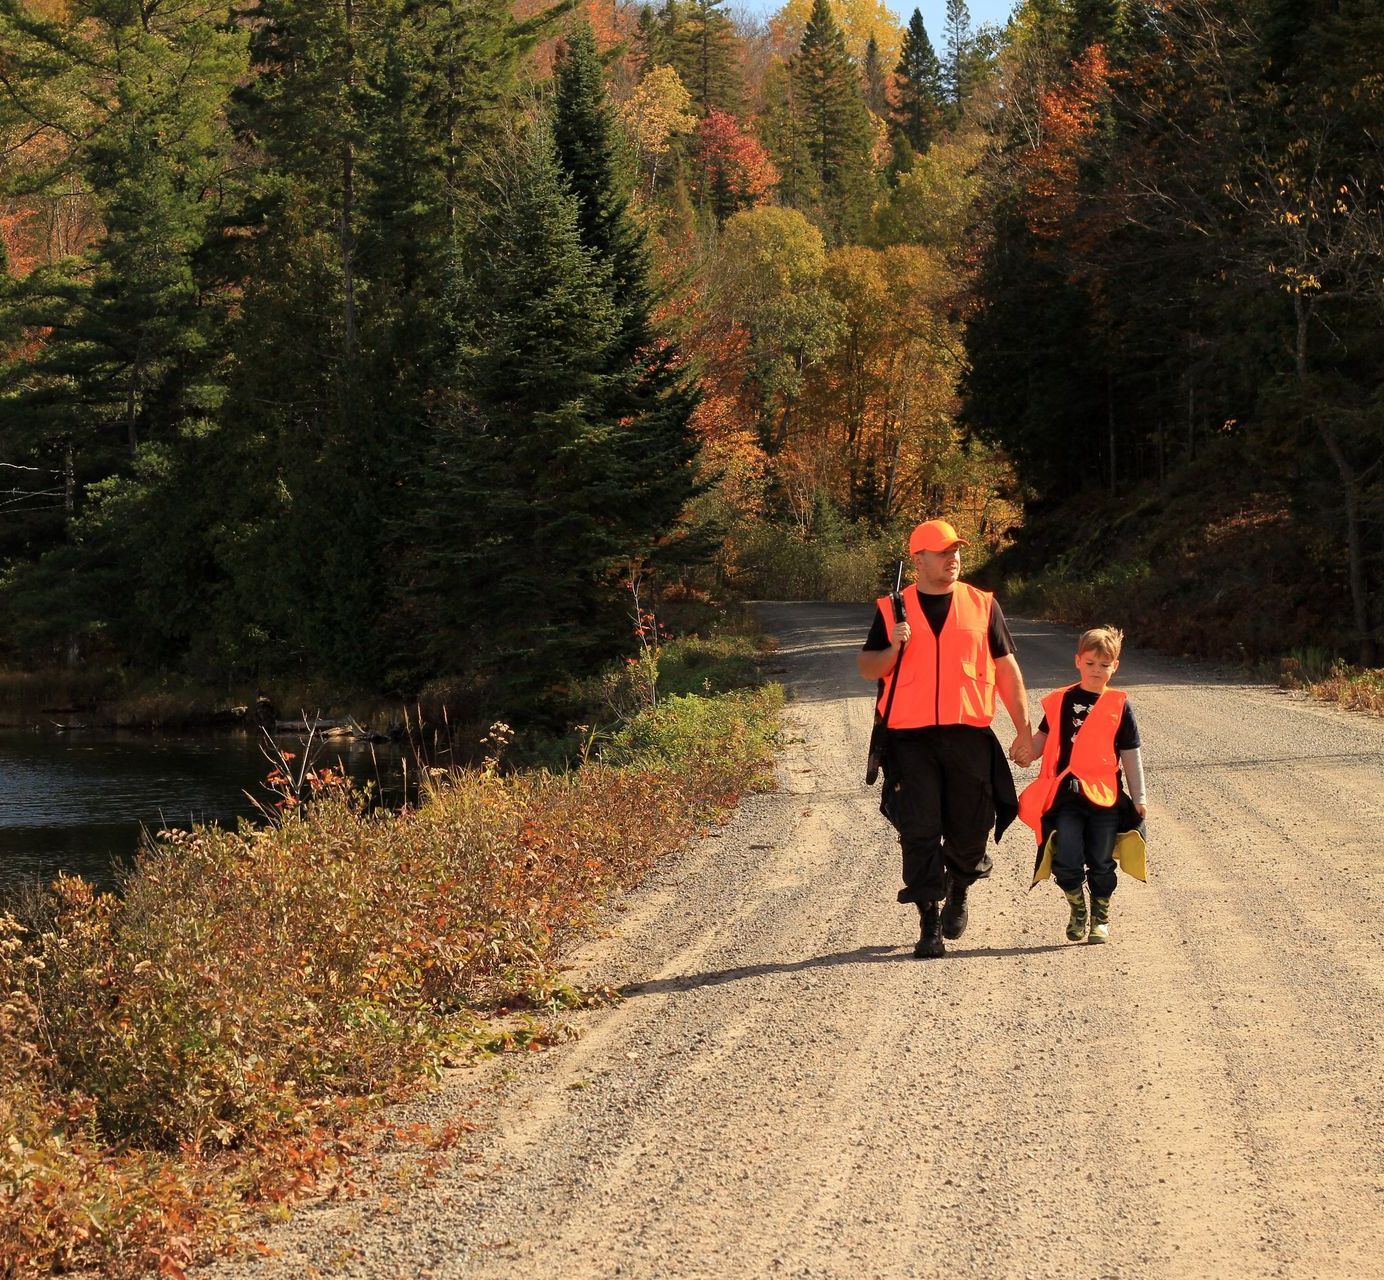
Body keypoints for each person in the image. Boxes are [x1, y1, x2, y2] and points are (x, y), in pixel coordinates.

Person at [858, 519, 1035, 959]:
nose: (952, 558)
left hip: (968, 735)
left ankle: (960, 885)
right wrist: (894, 648)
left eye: (956, 550)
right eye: (942, 552)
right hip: (909, 740)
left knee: (972, 828)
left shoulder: (982, 604)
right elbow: (868, 668)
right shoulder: (891, 609)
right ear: (918, 559)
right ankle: (928, 921)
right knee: (919, 830)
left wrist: (1024, 730)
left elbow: (1007, 672)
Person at [1015, 626, 1148, 944]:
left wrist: (1140, 797)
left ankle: (1100, 917)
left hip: (1105, 799)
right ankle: (1077, 909)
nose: (1096, 671)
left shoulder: (1119, 705)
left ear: (1114, 666)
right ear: (1078, 661)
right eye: (1090, 664)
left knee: (1102, 860)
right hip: (1067, 798)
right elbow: (1043, 740)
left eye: (1104, 665)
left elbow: (1130, 755)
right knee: (1067, 858)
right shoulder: (1062, 700)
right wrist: (1026, 752)